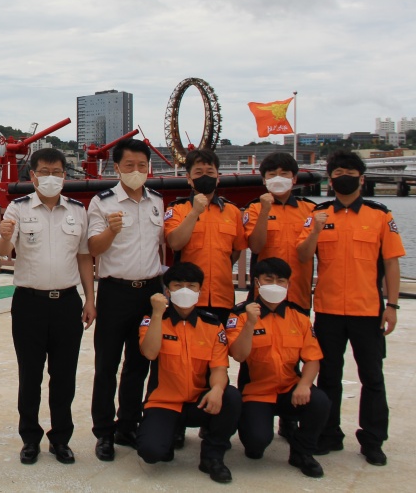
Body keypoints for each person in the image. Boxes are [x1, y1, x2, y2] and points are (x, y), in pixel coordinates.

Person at [296, 150, 405, 465]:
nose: (343, 176)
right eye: (338, 172)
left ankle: (372, 440)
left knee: (372, 377)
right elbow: (303, 257)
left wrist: (393, 305)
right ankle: (328, 435)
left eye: (350, 171)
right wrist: (316, 229)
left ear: (362, 178)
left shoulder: (379, 214)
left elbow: (391, 263)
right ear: (330, 180)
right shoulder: (319, 213)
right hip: (328, 310)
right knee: (329, 376)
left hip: (367, 310)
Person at [0, 148, 95, 465]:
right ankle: (30, 439)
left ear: (65, 175)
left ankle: (61, 439)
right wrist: (3, 236)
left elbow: (84, 257)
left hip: (67, 302)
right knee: (30, 376)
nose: (50, 177)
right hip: (29, 304)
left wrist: (90, 298)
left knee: (64, 377)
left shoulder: (78, 211)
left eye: (56, 171)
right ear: (33, 175)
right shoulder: (18, 208)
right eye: (44, 171)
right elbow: (3, 252)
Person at [86, 138, 165, 462]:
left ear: (149, 168)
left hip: (149, 292)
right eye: (129, 166)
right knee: (106, 365)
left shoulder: (157, 201)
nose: (136, 171)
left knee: (139, 363)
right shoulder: (102, 203)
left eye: (141, 166)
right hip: (114, 291)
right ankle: (103, 432)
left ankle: (127, 425)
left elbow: (162, 246)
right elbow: (93, 249)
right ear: (115, 168)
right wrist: (112, 231)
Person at [136, 262, 241, 484]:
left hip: (198, 402)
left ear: (200, 290)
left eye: (191, 286)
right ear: (168, 290)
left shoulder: (212, 325)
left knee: (230, 396)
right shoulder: (154, 319)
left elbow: (219, 367)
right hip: (164, 402)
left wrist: (217, 389)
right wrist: (156, 313)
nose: (185, 290)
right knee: (151, 452)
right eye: (178, 285)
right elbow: (150, 352)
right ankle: (170, 434)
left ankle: (213, 457)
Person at [227, 258, 329, 478]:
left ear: (288, 285)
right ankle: (254, 429)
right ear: (257, 282)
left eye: (281, 281)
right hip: (257, 393)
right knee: (255, 447)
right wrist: (251, 324)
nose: (275, 285)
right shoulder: (240, 315)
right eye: (268, 279)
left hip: (289, 389)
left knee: (320, 401)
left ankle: (302, 452)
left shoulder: (299, 318)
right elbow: (238, 354)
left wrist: (304, 385)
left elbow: (313, 359)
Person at [164, 149, 247, 322]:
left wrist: (220, 265)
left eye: (210, 172)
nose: (205, 177)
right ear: (188, 177)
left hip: (222, 295)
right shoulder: (177, 209)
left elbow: (237, 249)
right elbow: (175, 243)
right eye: (198, 172)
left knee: (220, 344)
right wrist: (194, 212)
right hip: (186, 295)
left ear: (218, 177)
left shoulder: (231, 211)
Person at [243, 152, 316, 310]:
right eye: (272, 174)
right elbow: (255, 246)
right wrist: (265, 211)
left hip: (299, 292)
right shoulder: (254, 208)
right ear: (264, 179)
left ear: (294, 178)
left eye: (284, 174)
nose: (278, 178)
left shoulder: (311, 210)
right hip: (265, 293)